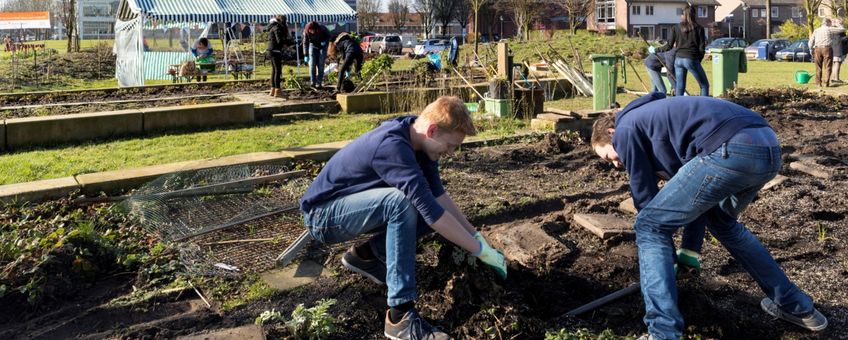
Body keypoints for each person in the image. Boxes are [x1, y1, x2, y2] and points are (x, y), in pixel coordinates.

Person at [591, 92, 828, 339]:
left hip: (730, 147)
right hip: (766, 147)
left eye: (609, 157)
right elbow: (698, 200)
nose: (616, 165)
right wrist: (689, 252)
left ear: (610, 134)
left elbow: (645, 198)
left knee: (649, 226)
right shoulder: (657, 123)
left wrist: (668, 261)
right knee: (723, 224)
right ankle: (799, 308)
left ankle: (663, 332)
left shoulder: (626, 127)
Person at [300, 96, 507, 340]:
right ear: (432, 130)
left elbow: (439, 198)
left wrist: (475, 235)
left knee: (419, 203)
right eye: (450, 145)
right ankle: (400, 317)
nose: (450, 152)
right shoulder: (392, 146)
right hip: (323, 216)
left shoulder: (418, 139)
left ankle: (365, 256)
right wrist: (479, 251)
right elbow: (432, 214)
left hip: (349, 209)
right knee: (401, 202)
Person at [655, 5, 708, 96]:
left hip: (678, 60)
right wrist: (697, 61)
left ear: (683, 15)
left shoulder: (675, 28)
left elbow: (669, 46)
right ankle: (703, 108)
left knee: (680, 87)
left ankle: (678, 108)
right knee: (704, 85)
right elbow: (701, 49)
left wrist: (656, 49)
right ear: (694, 15)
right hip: (691, 59)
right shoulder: (699, 28)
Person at [810, 18, 844, 87]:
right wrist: (838, 24)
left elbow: (810, 41)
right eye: (830, 23)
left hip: (817, 49)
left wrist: (811, 49)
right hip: (827, 49)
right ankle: (826, 83)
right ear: (828, 23)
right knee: (828, 66)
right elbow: (842, 30)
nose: (831, 24)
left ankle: (818, 83)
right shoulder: (829, 29)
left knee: (818, 67)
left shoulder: (816, 30)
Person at [266, 15, 291, 97]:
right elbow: (279, 41)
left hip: (270, 50)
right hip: (275, 50)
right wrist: (288, 42)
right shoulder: (278, 27)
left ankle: (273, 90)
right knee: (278, 71)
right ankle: (277, 90)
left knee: (274, 70)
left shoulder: (272, 26)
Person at [303, 21, 331, 88]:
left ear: (316, 29)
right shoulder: (306, 31)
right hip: (312, 45)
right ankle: (313, 81)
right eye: (310, 30)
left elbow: (329, 36)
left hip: (322, 46)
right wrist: (306, 54)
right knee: (312, 63)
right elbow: (305, 43)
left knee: (321, 64)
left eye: (313, 30)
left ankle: (319, 82)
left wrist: (325, 41)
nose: (311, 32)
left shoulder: (322, 28)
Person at [831, 19, 847, 83]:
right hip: (838, 49)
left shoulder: (833, 30)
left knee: (835, 63)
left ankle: (833, 78)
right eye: (840, 22)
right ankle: (836, 79)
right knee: (837, 63)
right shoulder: (839, 30)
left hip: (834, 49)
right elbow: (842, 39)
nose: (841, 23)